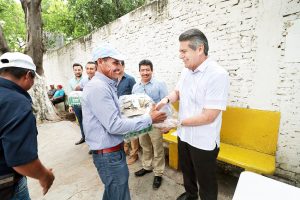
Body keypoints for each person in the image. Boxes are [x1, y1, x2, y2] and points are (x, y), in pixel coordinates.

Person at [81, 43, 167, 200]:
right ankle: (147, 166)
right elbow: (114, 125)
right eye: (114, 62)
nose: (118, 67)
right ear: (100, 62)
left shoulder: (106, 85)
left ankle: (157, 172)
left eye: (120, 63)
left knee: (114, 193)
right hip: (109, 155)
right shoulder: (99, 87)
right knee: (119, 195)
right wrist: (149, 118)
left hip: (113, 151)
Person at [156, 29, 229, 200]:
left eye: (183, 51)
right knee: (187, 172)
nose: (180, 56)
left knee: (206, 181)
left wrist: (175, 123)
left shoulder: (218, 75)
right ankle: (190, 194)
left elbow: (209, 116)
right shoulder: (186, 71)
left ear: (200, 49)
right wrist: (165, 100)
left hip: (203, 141)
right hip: (184, 135)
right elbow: (177, 92)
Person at [0, 52, 55, 200]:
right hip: (7, 188)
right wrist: (45, 176)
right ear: (27, 75)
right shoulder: (15, 102)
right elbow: (21, 161)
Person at [132, 59, 168, 190]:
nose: (145, 72)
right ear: (139, 71)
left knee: (157, 147)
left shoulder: (159, 84)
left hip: (157, 122)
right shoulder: (135, 87)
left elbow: (166, 104)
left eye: (148, 70)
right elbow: (134, 106)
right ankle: (147, 166)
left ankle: (158, 173)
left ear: (152, 70)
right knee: (145, 145)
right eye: (143, 70)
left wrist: (166, 123)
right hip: (142, 121)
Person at [116, 60, 139, 165]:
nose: (117, 67)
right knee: (123, 132)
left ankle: (134, 154)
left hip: (129, 110)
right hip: (118, 111)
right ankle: (125, 150)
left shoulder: (130, 79)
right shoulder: (113, 79)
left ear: (123, 66)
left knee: (132, 134)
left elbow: (135, 95)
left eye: (119, 65)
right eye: (115, 65)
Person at [68, 63, 85, 145]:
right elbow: (70, 93)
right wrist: (70, 105)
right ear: (73, 71)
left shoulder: (86, 79)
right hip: (76, 104)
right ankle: (83, 137)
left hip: (86, 104)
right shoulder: (71, 81)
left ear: (82, 70)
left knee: (88, 122)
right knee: (80, 121)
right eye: (75, 70)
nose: (77, 71)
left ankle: (91, 142)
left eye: (79, 70)